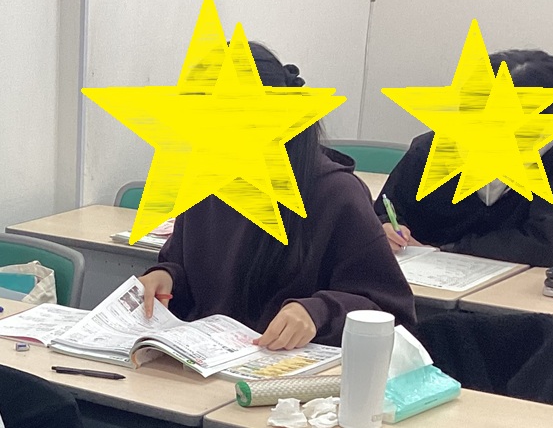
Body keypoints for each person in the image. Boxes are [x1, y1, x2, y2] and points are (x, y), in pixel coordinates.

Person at [140, 42, 416, 349]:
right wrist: (167, 277)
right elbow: (188, 273)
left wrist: (317, 312)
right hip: (206, 360)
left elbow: (391, 313)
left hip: (296, 369)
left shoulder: (337, 195)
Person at [375, 49, 553, 267]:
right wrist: (386, 227)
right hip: (419, 271)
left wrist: (447, 252)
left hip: (509, 277)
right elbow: (386, 209)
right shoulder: (434, 144)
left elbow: (549, 243)